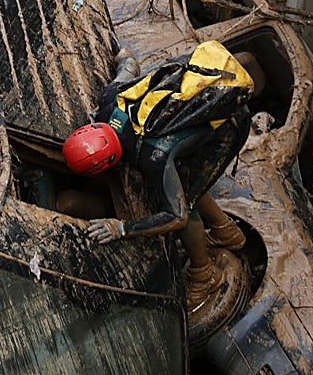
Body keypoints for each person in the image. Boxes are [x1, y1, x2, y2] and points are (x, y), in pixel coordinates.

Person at [63, 43, 259, 319]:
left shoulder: (153, 156)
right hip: (194, 118)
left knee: (185, 202)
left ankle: (204, 275)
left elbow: (175, 217)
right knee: (183, 182)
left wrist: (123, 228)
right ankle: (226, 232)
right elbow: (128, 65)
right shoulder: (109, 102)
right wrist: (121, 53)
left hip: (228, 127)